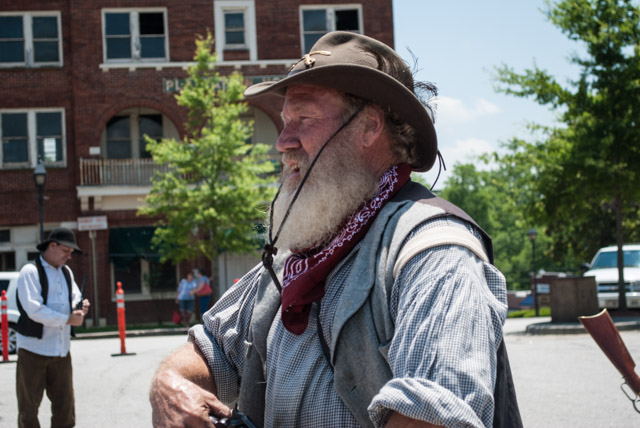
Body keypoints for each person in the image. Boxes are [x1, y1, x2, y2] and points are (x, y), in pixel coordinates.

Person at [150, 31, 521, 428]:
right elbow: (209, 350)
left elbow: (429, 417)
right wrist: (169, 384)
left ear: (369, 128)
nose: (282, 142)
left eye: (303, 119)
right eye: (284, 122)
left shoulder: (433, 252)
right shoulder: (298, 256)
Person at [16, 227, 90, 428]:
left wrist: (80, 306)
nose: (69, 256)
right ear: (52, 246)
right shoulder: (30, 271)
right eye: (66, 251)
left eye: (71, 253)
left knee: (65, 407)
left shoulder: (66, 272)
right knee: (28, 409)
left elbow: (75, 296)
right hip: (33, 350)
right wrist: (67, 319)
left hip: (61, 350)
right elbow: (34, 309)